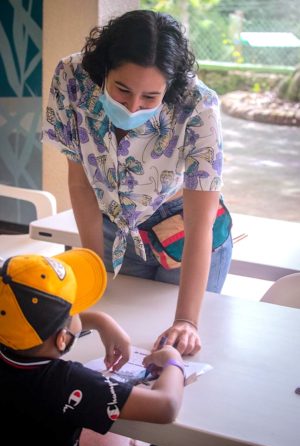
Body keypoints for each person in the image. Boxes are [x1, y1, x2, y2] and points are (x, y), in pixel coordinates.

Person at [43, 9, 233, 357]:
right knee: (107, 338)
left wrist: (187, 321)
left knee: (174, 348)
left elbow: (199, 222)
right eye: (121, 89)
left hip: (183, 234)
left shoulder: (198, 104)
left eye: (150, 98)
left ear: (170, 89)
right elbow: (82, 183)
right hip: (111, 225)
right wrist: (91, 272)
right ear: (104, 69)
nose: (132, 107)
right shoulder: (71, 78)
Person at [0, 249, 185, 446]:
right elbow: (165, 407)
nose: (81, 313)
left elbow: (42, 328)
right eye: (76, 310)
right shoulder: (68, 383)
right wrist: (173, 360)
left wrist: (100, 321)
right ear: (62, 339)